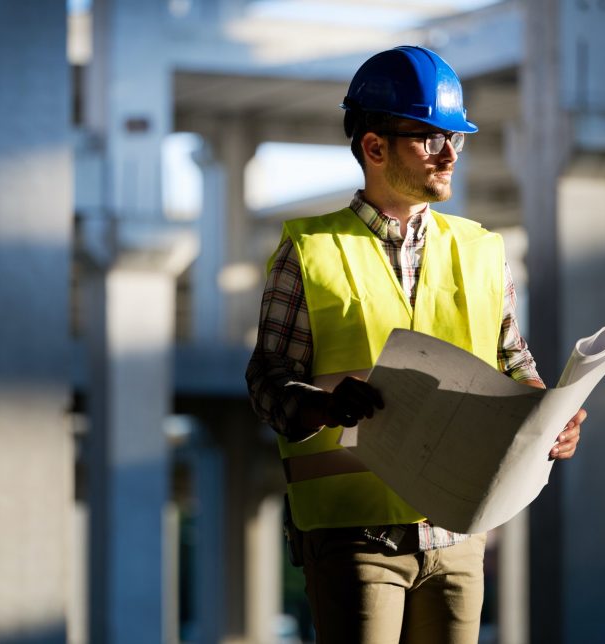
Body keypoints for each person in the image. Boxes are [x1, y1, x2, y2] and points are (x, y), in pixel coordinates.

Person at [245, 45, 586, 644]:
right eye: (430, 137)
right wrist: (325, 407)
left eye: (456, 137)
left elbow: (514, 361)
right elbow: (267, 383)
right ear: (375, 147)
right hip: (355, 536)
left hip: (457, 536)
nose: (450, 153)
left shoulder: (483, 250)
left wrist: (549, 413)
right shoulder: (309, 251)